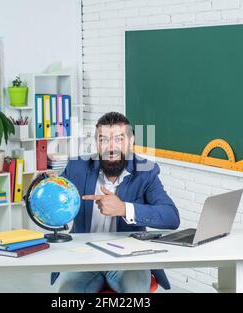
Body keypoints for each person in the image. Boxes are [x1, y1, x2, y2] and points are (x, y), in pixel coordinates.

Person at [53, 112, 180, 293]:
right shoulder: (77, 167)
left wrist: (124, 209)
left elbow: (171, 217)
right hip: (85, 256)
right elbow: (54, 199)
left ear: (131, 140)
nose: (111, 147)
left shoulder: (145, 171)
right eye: (103, 139)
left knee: (135, 290)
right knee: (67, 291)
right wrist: (41, 189)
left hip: (128, 258)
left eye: (119, 139)